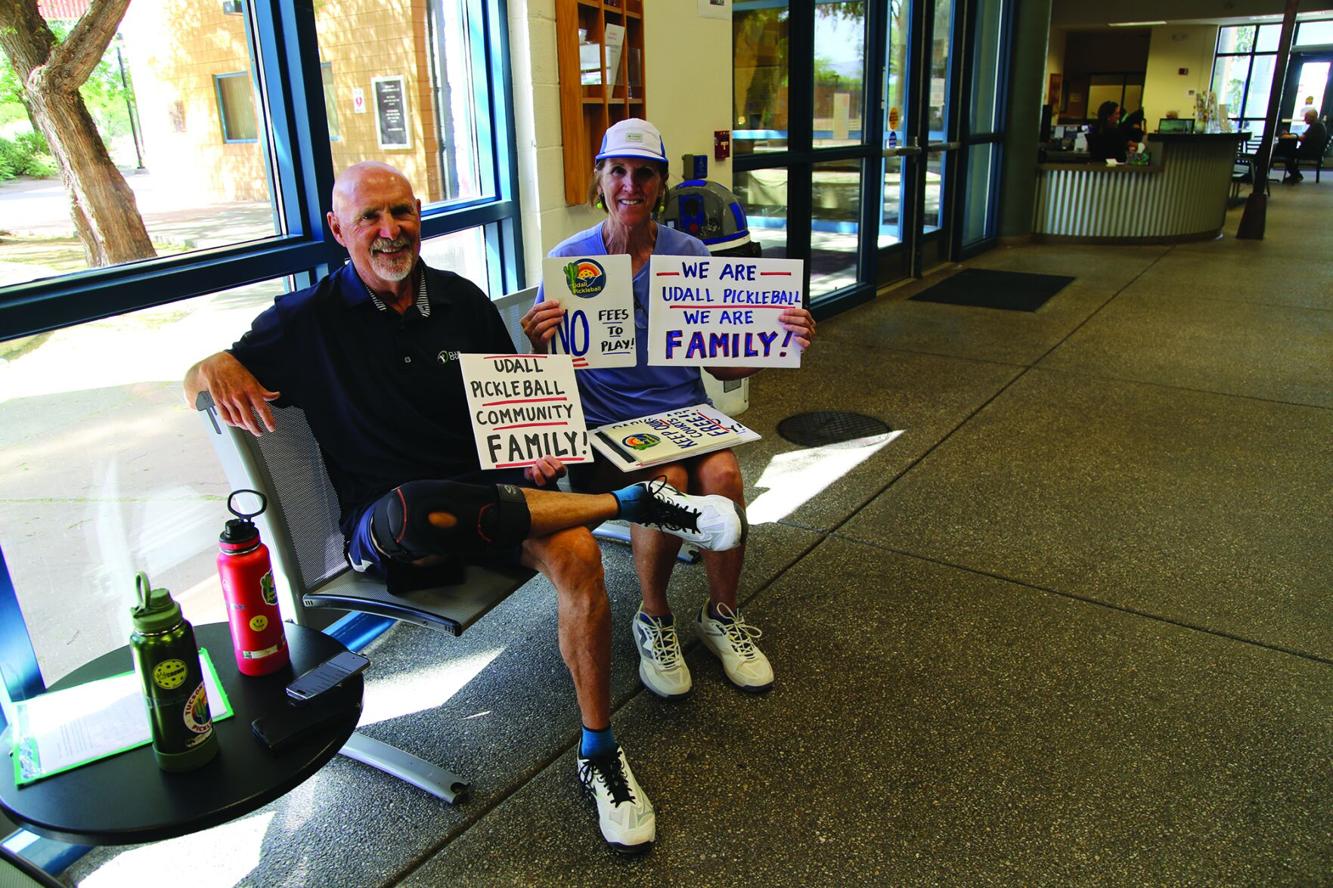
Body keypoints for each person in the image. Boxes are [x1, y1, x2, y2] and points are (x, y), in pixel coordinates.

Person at [183, 161, 751, 855]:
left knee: (579, 555)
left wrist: (533, 449)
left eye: (401, 213)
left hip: (492, 498)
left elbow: (512, 401)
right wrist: (208, 366)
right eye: (369, 218)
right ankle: (628, 501)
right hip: (393, 523)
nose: (390, 231)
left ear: (419, 215)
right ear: (338, 229)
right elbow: (200, 380)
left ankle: (598, 750)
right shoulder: (304, 321)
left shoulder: (460, 298)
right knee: (412, 506)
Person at [520, 119, 816, 701]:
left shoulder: (689, 254)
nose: (631, 185)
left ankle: (721, 614)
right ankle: (654, 617)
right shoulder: (568, 260)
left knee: (725, 476)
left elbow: (722, 368)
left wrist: (776, 342)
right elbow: (545, 376)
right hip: (609, 431)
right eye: (618, 172)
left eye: (645, 174)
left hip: (685, 416)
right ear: (600, 179)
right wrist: (538, 342)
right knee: (669, 480)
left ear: (660, 185)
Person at [1275, 108, 1328, 183]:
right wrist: (1290, 135)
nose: (1304, 119)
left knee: (1287, 154)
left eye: (1306, 117)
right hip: (1312, 150)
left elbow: (1302, 138)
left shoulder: (1316, 126)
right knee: (1288, 152)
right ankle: (1295, 174)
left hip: (1310, 151)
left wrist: (1288, 136)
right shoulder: (1317, 125)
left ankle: (1296, 175)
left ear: (1312, 117)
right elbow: (1304, 137)